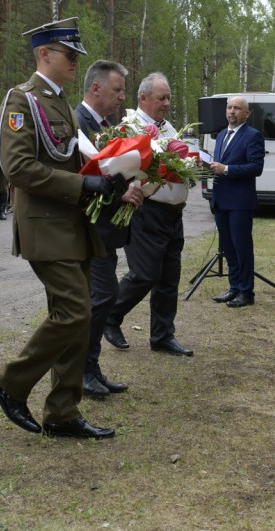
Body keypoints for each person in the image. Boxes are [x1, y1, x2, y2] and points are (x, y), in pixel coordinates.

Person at [0, 17, 124, 440]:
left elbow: (70, 157)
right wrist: (85, 183)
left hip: (72, 222)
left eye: (77, 57)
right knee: (74, 311)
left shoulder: (60, 102)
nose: (75, 64)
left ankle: (63, 410)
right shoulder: (22, 100)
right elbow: (19, 167)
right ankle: (9, 384)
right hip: (45, 226)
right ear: (44, 54)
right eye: (68, 55)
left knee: (76, 318)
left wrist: (115, 175)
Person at [103, 73, 195, 357]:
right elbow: (117, 168)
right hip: (146, 211)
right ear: (143, 98)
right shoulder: (130, 127)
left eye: (168, 98)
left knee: (169, 276)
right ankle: (110, 316)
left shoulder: (168, 128)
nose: (167, 103)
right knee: (145, 274)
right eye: (161, 98)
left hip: (172, 213)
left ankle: (163, 335)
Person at [74, 59, 144, 397]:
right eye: (117, 90)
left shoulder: (106, 125)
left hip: (106, 226)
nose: (121, 98)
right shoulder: (77, 122)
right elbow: (82, 175)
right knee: (102, 295)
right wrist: (119, 190)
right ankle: (81, 370)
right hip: (87, 226)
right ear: (96, 88)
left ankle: (91, 367)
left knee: (102, 297)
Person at [209, 96, 265, 307]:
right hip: (221, 200)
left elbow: (256, 167)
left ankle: (246, 292)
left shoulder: (253, 136)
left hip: (240, 202)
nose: (232, 111)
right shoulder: (222, 135)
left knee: (242, 247)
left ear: (246, 114)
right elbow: (220, 165)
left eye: (237, 108)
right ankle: (234, 288)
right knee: (229, 248)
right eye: (229, 108)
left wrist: (227, 169)